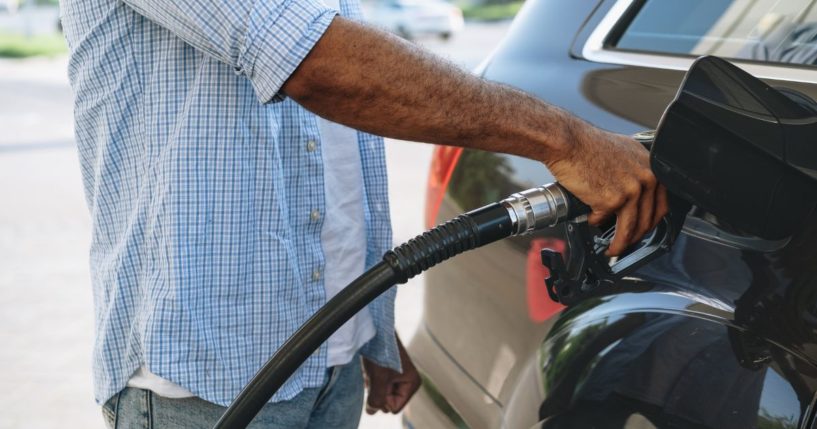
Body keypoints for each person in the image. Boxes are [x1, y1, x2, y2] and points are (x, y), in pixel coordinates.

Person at [59, 0, 668, 425]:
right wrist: (566, 139)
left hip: (330, 354)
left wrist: (370, 327)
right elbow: (322, 68)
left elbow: (326, 172)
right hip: (201, 380)